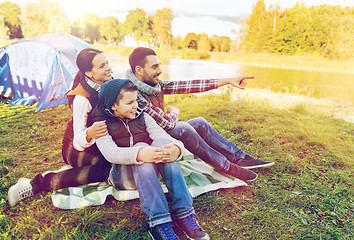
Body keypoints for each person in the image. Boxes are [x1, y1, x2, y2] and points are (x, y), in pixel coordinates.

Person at [126, 47, 275, 182]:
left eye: (159, 65)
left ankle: (241, 158)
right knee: (182, 127)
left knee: (200, 122)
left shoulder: (154, 84)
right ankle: (226, 166)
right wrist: (175, 113)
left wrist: (228, 81)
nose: (160, 70)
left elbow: (190, 85)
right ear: (139, 70)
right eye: (155, 67)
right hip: (149, 144)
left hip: (162, 133)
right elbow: (168, 124)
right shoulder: (133, 94)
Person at [92, 79, 210, 240]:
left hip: (149, 172)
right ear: (114, 105)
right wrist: (140, 153)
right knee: (140, 145)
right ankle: (159, 223)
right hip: (123, 176)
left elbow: (164, 136)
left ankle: (184, 213)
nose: (136, 105)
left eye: (136, 100)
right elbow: (110, 153)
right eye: (130, 102)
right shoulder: (100, 124)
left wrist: (176, 149)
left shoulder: (143, 116)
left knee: (164, 143)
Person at [8, 48, 112, 207]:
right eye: (101, 66)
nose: (108, 68)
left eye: (107, 63)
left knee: (113, 165)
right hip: (74, 147)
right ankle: (36, 184)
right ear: (89, 73)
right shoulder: (81, 99)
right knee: (102, 170)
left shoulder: (110, 85)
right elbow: (78, 142)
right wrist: (90, 133)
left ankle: (65, 173)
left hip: (98, 145)